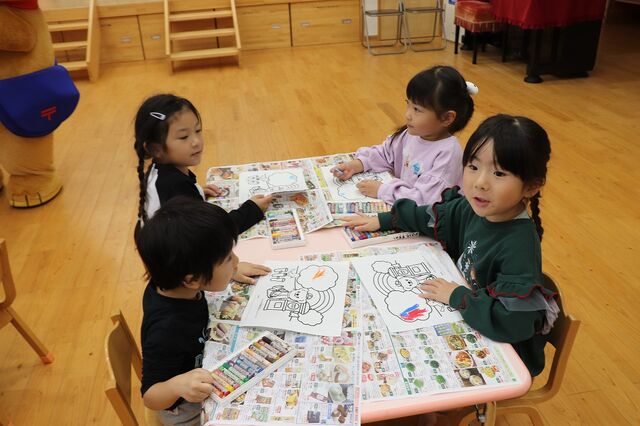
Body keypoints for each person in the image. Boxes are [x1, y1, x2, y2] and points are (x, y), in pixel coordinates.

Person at [343, 114, 559, 376]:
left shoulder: (519, 247)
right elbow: (432, 217)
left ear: (531, 187)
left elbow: (515, 322)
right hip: (466, 317)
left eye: (499, 173)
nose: (480, 183)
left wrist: (457, 296)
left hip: (503, 353)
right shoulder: (473, 208)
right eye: (473, 166)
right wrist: (385, 219)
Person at [134, 93, 270, 284]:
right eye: (184, 137)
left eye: (198, 130)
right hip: (182, 269)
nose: (196, 141)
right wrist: (251, 210)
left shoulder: (162, 172)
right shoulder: (175, 187)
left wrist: (195, 193)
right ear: (155, 149)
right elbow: (212, 233)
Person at [137, 197, 238, 425]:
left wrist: (232, 270)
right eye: (228, 259)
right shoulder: (166, 330)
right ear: (192, 280)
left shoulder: (169, 282)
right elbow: (150, 397)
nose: (237, 261)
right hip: (184, 407)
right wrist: (177, 386)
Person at [331, 65, 476, 205]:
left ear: (447, 118)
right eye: (408, 104)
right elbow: (386, 154)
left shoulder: (447, 154)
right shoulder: (413, 134)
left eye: (417, 109)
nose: (408, 115)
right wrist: (357, 165)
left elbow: (425, 201)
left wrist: (382, 190)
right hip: (406, 208)